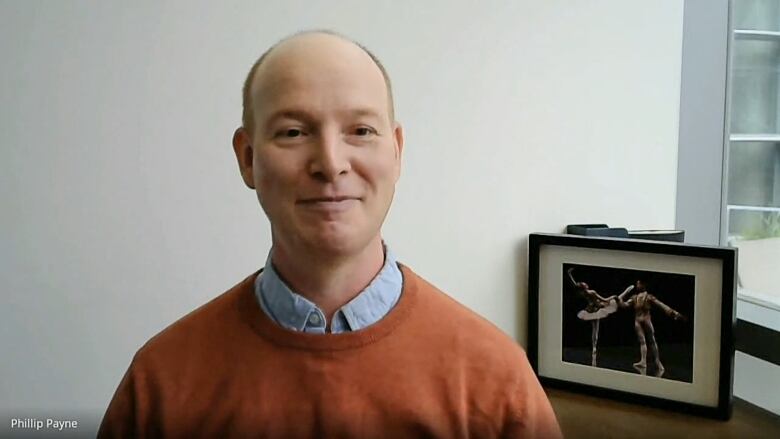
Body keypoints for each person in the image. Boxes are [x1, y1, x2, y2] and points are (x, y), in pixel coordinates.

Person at [97, 30, 562, 438]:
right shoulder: (160, 382)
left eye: (360, 130)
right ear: (247, 158)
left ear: (396, 152)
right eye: (294, 132)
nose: (331, 163)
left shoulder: (495, 380)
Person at [618, 280, 686, 376]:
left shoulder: (649, 297)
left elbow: (661, 305)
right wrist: (619, 299)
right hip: (637, 321)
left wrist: (673, 313)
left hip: (646, 320)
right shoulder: (634, 297)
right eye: (637, 284)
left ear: (643, 285)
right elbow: (624, 305)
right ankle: (643, 361)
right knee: (642, 341)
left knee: (652, 341)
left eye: (638, 283)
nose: (637, 285)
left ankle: (658, 363)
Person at [566, 267, 618, 366]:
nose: (585, 283)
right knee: (595, 329)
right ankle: (594, 347)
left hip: (590, 309)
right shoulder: (592, 292)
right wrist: (612, 297)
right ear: (585, 287)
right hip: (597, 308)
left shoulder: (582, 293)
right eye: (584, 283)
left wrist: (569, 275)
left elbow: (575, 285)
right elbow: (604, 299)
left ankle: (594, 346)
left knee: (594, 329)